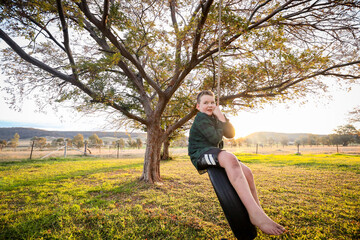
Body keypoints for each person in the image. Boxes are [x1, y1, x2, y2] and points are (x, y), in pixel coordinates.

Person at [188, 90, 285, 236]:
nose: (209, 105)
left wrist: (222, 117)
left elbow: (231, 134)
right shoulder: (201, 118)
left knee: (247, 173)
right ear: (198, 106)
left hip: (213, 151)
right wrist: (220, 120)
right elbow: (214, 139)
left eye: (212, 102)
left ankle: (258, 212)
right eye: (205, 103)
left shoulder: (216, 116)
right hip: (200, 154)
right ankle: (255, 214)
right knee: (230, 158)